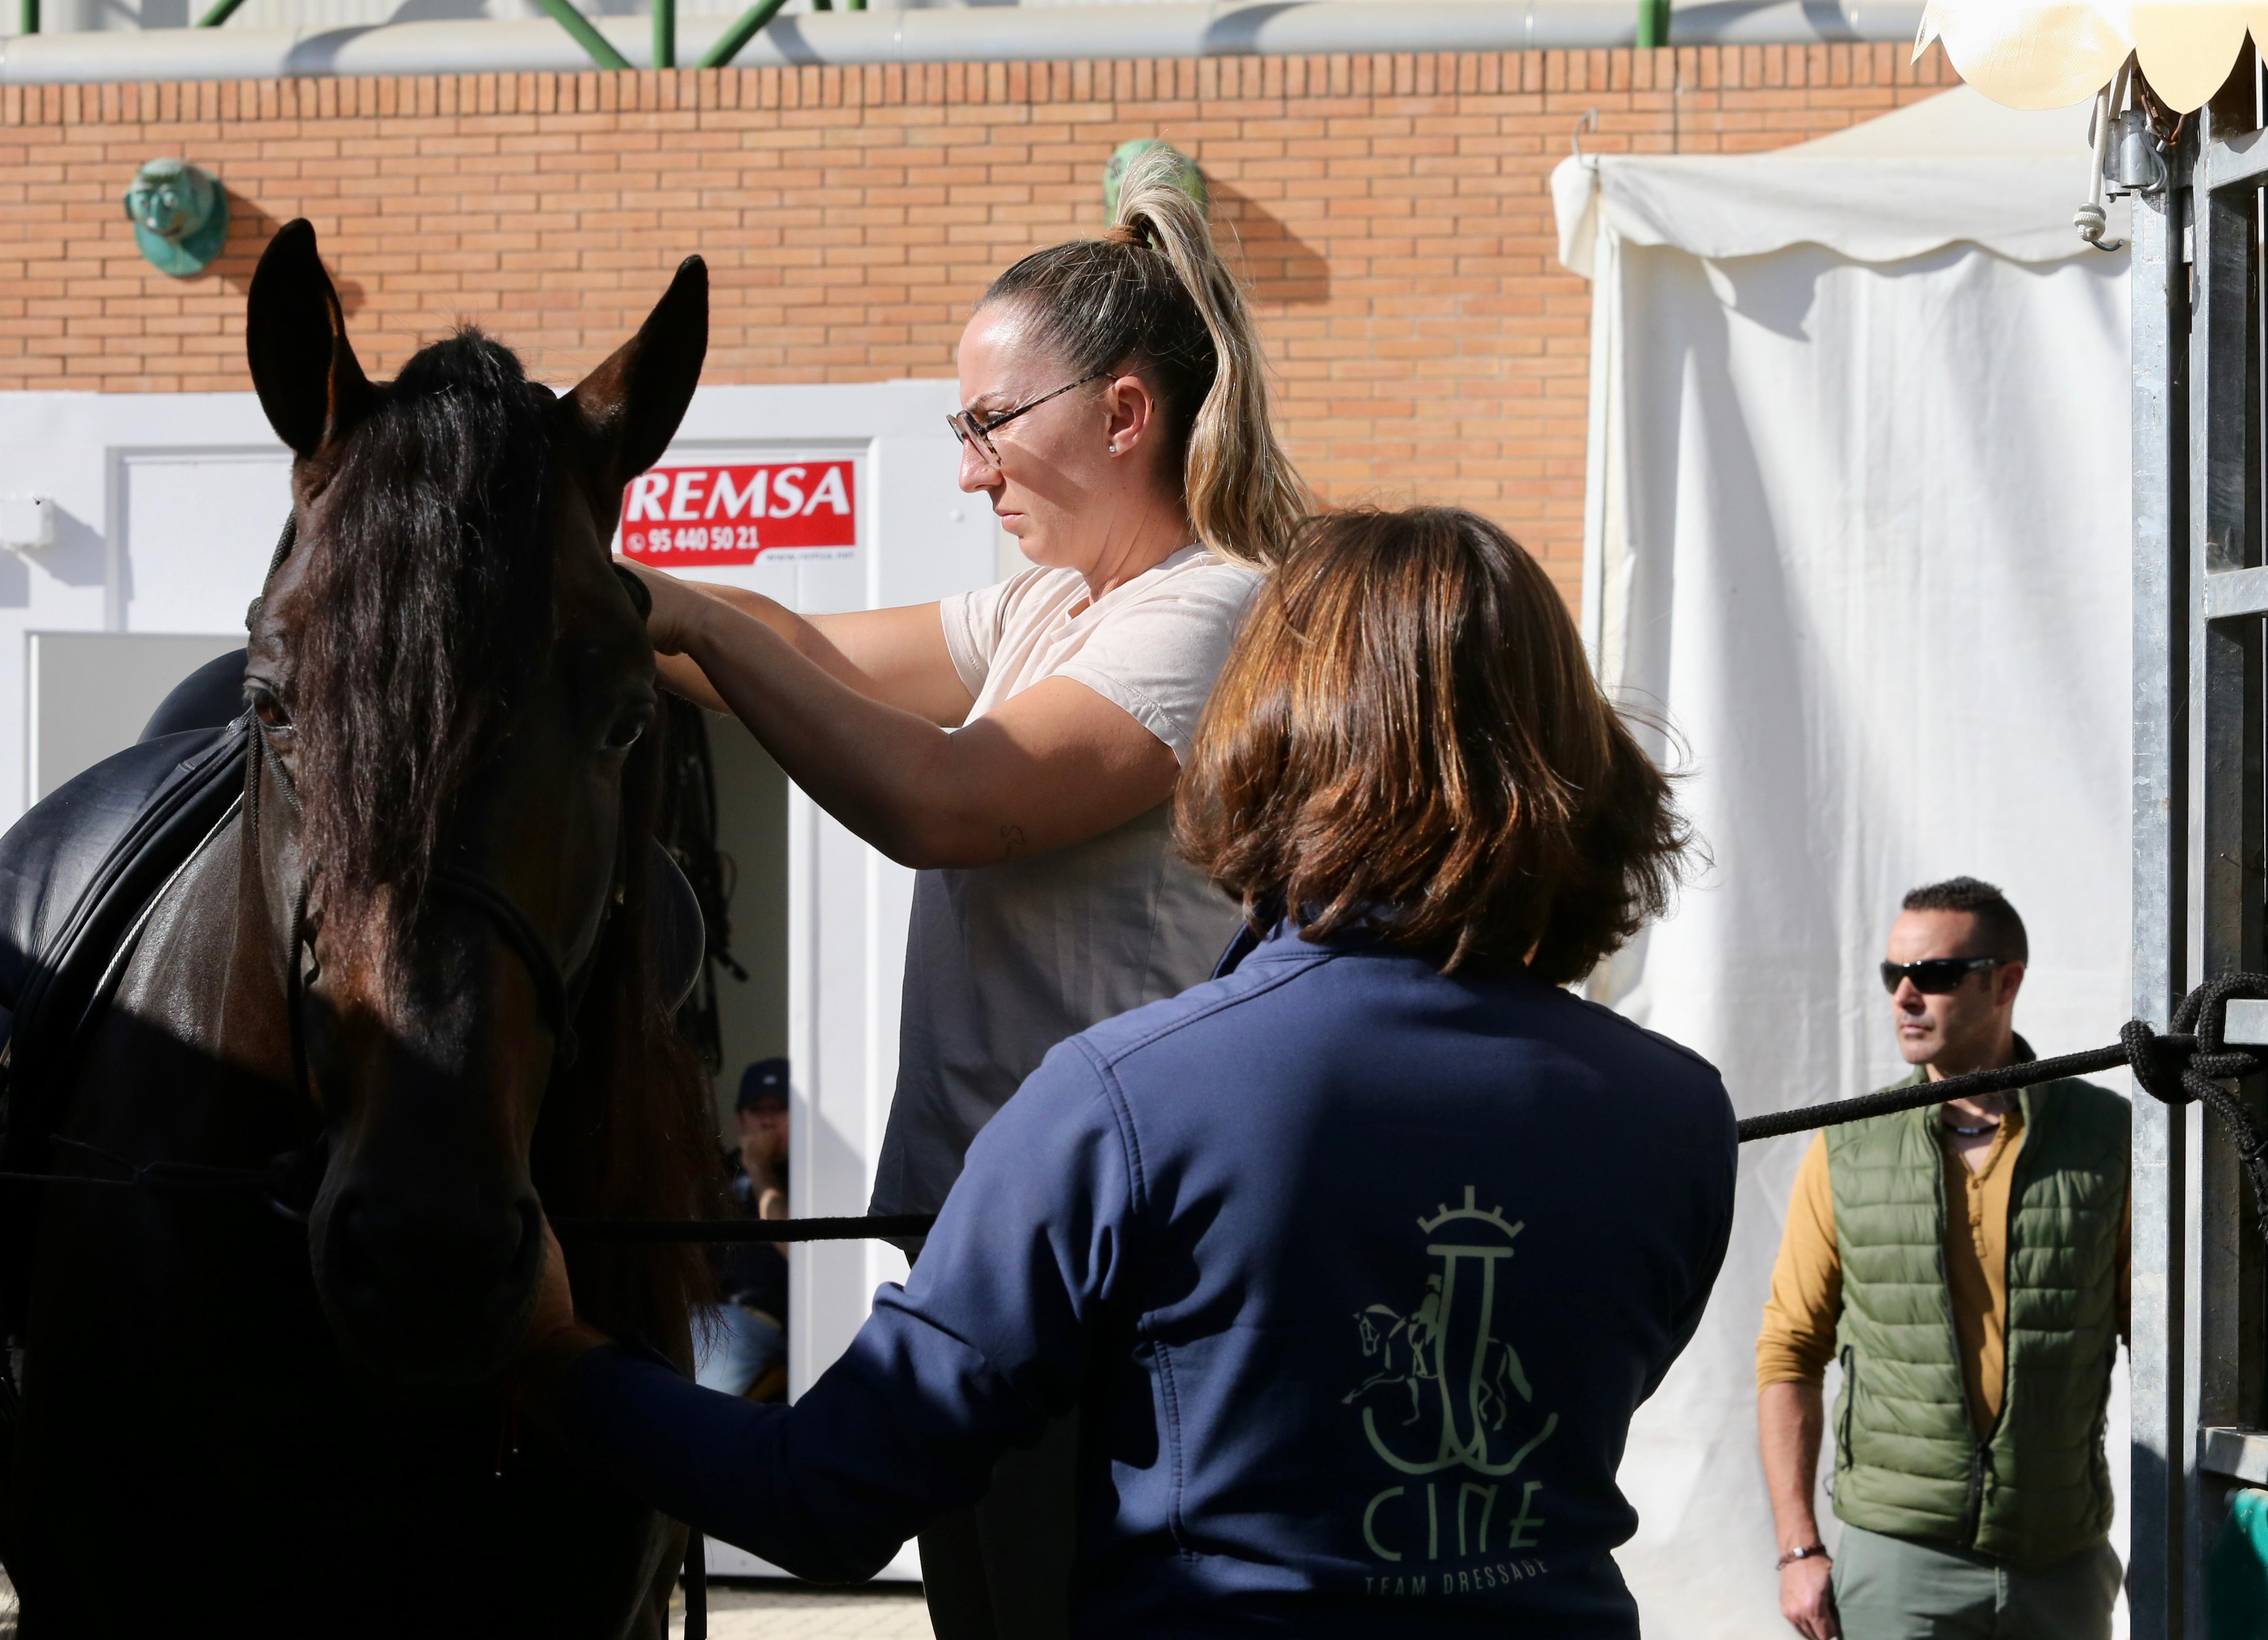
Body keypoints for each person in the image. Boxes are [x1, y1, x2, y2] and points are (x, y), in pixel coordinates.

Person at [520, 506, 1737, 1636]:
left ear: (1267, 728)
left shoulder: (1127, 1101)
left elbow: (824, 1493)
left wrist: (559, 1351)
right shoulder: (1676, 1110)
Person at [622, 146, 1306, 1635]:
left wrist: (670, 614)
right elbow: (791, 649)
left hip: (1116, 1279)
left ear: (1125, 414)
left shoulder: (1210, 612)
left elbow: (944, 804)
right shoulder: (1055, 602)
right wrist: (607, 591)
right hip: (1004, 1255)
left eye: (991, 423)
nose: (968, 467)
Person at [1756, 878, 2129, 1640]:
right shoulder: (1850, 1144)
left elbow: (2161, 1338)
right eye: (1893, 975)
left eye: (1933, 975)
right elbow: (1790, 1350)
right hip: (1898, 1560)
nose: (1905, 996)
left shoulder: (2109, 1137)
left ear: (2007, 982)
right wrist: (1798, 1548)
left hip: (2060, 1555)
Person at [694, 1058, 793, 1401]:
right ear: (740, 1119)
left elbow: (801, 1250)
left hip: (765, 1322)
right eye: (757, 1110)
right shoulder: (718, 1172)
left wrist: (760, 1168)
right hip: (706, 1312)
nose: (767, 1120)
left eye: (779, 1109)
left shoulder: (811, 1169)